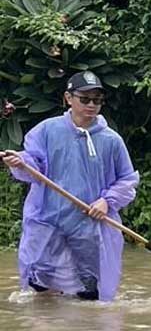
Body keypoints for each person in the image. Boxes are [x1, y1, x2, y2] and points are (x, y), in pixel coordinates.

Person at [2, 71, 139, 301]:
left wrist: (106, 202)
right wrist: (21, 162)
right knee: (42, 291)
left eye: (97, 100)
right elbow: (34, 164)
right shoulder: (47, 130)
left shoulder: (111, 140)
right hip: (48, 222)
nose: (91, 105)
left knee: (88, 293)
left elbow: (127, 181)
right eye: (85, 99)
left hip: (90, 226)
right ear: (68, 98)